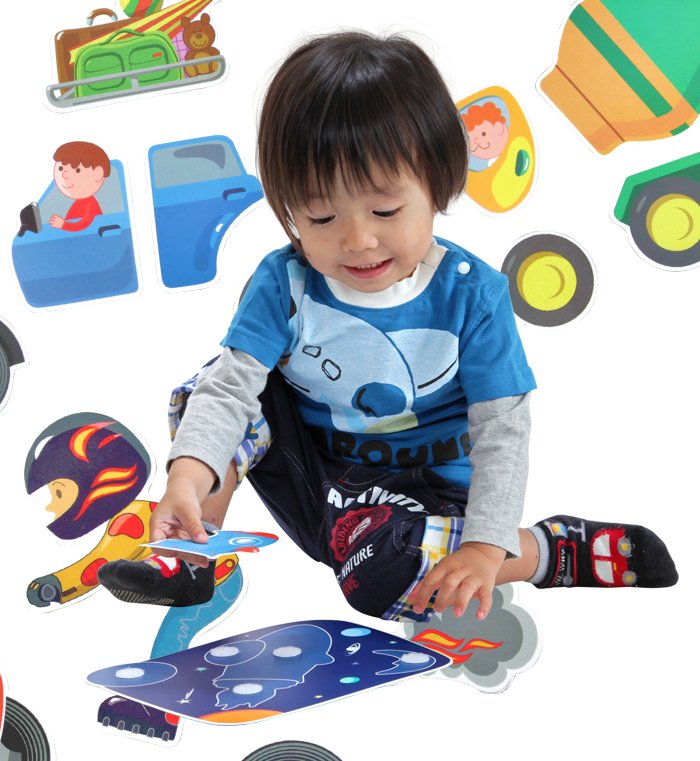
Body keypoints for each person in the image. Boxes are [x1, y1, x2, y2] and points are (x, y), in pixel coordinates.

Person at [98, 31, 677, 621]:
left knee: (382, 576)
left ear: (438, 184)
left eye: (385, 210)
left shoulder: (472, 296)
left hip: (425, 504)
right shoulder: (283, 283)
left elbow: (503, 428)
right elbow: (230, 392)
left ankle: (542, 552)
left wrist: (484, 546)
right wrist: (186, 478)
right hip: (319, 482)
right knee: (207, 388)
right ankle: (192, 551)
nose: (357, 240)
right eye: (320, 216)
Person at [49, 141, 110, 232]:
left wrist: (63, 224)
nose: (64, 174)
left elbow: (84, 224)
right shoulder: (80, 202)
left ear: (98, 174)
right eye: (60, 168)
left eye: (77, 170)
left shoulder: (90, 204)